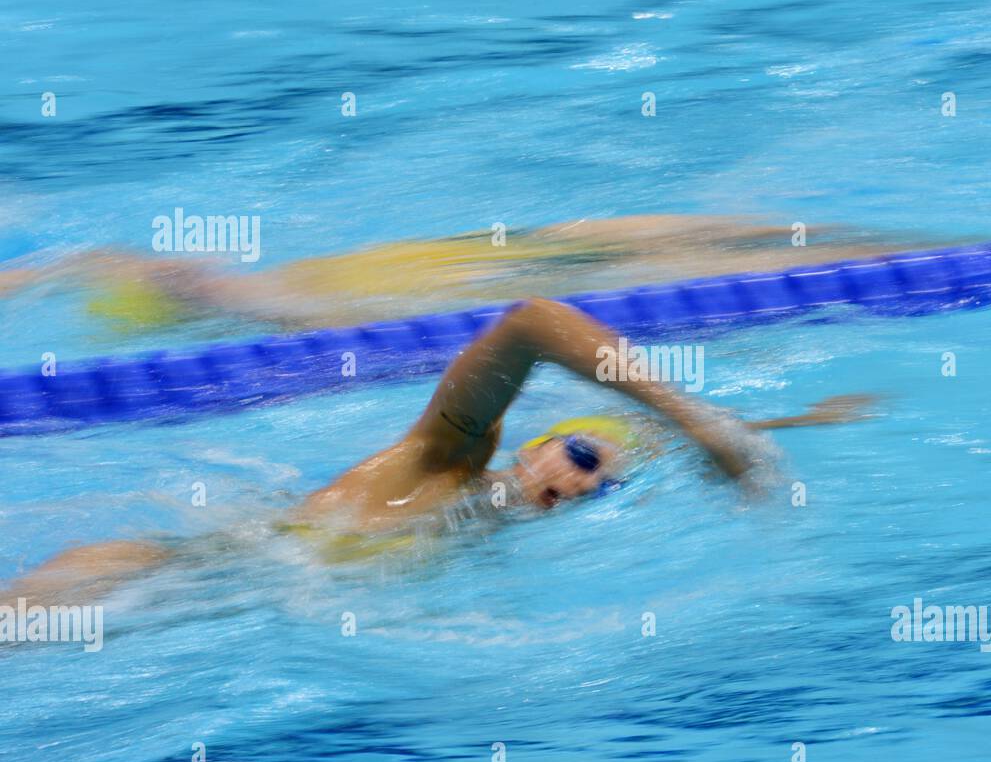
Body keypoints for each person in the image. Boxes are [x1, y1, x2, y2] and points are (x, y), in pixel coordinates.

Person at [4, 297, 874, 603]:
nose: (581, 481)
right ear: (528, 446)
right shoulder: (450, 457)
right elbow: (533, 320)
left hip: (213, 602)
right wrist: (693, 419)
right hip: (148, 575)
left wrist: (781, 426)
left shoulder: (482, 522)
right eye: (577, 452)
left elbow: (636, 446)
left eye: (602, 485)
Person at [0, 215, 918, 331]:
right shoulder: (257, 299)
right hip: (429, 262)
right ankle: (904, 246)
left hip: (422, 279)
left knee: (645, 251)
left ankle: (907, 251)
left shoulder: (262, 308)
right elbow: (92, 264)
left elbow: (91, 266)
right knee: (639, 241)